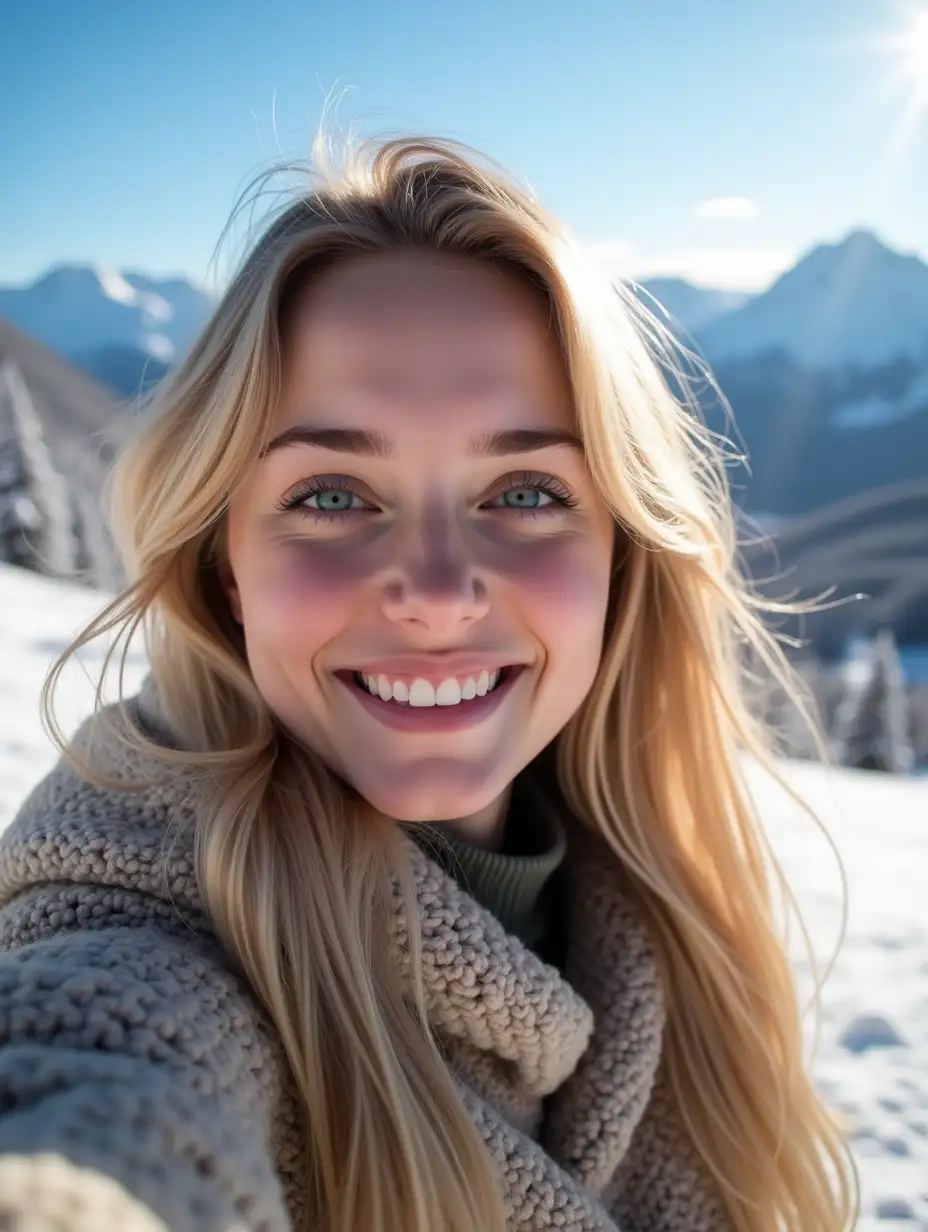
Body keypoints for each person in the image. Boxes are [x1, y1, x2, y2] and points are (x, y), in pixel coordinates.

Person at [0, 136, 856, 1232]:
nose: (440, 591)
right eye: (331, 495)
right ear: (226, 564)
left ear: (616, 556)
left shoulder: (655, 937)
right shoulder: (148, 928)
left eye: (528, 490)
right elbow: (97, 1084)